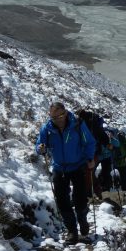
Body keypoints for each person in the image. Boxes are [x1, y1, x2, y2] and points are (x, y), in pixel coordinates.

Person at [36, 102, 96, 243]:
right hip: (59, 167)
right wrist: (40, 148)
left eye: (60, 115)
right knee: (62, 201)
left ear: (65, 112)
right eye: (54, 117)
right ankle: (72, 231)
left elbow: (90, 142)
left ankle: (83, 221)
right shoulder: (47, 128)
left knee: (80, 198)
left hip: (78, 166)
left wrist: (89, 158)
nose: (58, 119)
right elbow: (39, 145)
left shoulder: (77, 125)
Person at [76, 109, 111, 195]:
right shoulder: (94, 123)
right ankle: (95, 191)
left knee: (87, 173)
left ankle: (90, 193)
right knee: (89, 172)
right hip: (95, 152)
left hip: (84, 153)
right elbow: (103, 136)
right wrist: (107, 144)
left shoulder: (80, 124)